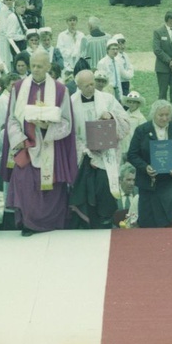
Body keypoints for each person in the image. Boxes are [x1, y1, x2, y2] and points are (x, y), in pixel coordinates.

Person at [1, 51, 78, 236]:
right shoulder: (18, 88)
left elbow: (67, 122)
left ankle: (51, 222)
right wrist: (20, 139)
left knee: (51, 187)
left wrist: (46, 128)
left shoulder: (60, 90)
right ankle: (28, 223)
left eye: (40, 66)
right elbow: (11, 119)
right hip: (26, 146)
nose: (35, 69)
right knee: (23, 182)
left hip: (49, 146)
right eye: (33, 65)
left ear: (48, 67)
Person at [70, 70, 131, 229]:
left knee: (104, 186)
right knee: (86, 188)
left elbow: (125, 122)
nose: (91, 87)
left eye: (92, 83)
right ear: (78, 86)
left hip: (106, 153)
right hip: (83, 155)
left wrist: (110, 116)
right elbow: (71, 133)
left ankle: (105, 221)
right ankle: (87, 223)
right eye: (86, 85)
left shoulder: (108, 99)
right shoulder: (71, 103)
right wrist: (87, 153)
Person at [127, 100, 172, 228]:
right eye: (161, 115)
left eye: (167, 115)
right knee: (149, 221)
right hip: (149, 181)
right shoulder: (142, 130)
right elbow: (132, 154)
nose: (164, 118)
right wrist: (145, 167)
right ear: (153, 114)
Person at [152, 11, 172, 116]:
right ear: (170, 20)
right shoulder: (158, 32)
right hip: (163, 67)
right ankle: (162, 113)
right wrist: (169, 61)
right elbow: (157, 49)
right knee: (163, 93)